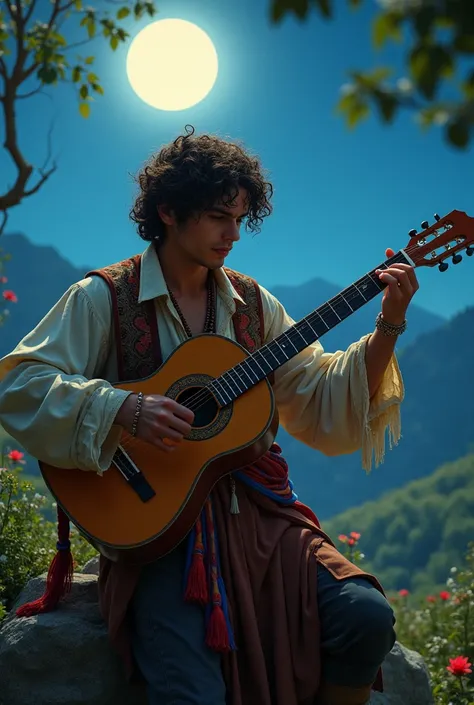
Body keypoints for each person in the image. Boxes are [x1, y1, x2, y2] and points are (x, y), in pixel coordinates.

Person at [0, 126, 418, 705]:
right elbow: (20, 384)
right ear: (168, 211)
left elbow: (320, 391)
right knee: (192, 693)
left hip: (261, 518)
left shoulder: (253, 306)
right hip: (160, 530)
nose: (233, 234)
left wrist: (388, 324)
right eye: (220, 216)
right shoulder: (103, 297)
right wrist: (125, 406)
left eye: (241, 218)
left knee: (366, 618)